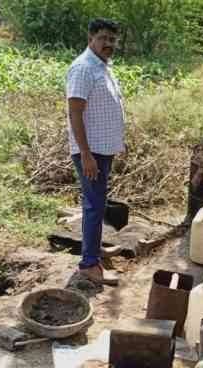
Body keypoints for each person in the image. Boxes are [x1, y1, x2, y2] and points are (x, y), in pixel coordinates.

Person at [66, 18, 125, 286]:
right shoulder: (82, 68)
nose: (108, 44)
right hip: (91, 152)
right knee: (93, 205)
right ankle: (89, 264)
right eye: (103, 38)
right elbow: (75, 114)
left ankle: (94, 248)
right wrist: (85, 154)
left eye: (112, 39)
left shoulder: (102, 66)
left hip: (102, 148)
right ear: (91, 38)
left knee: (97, 202)